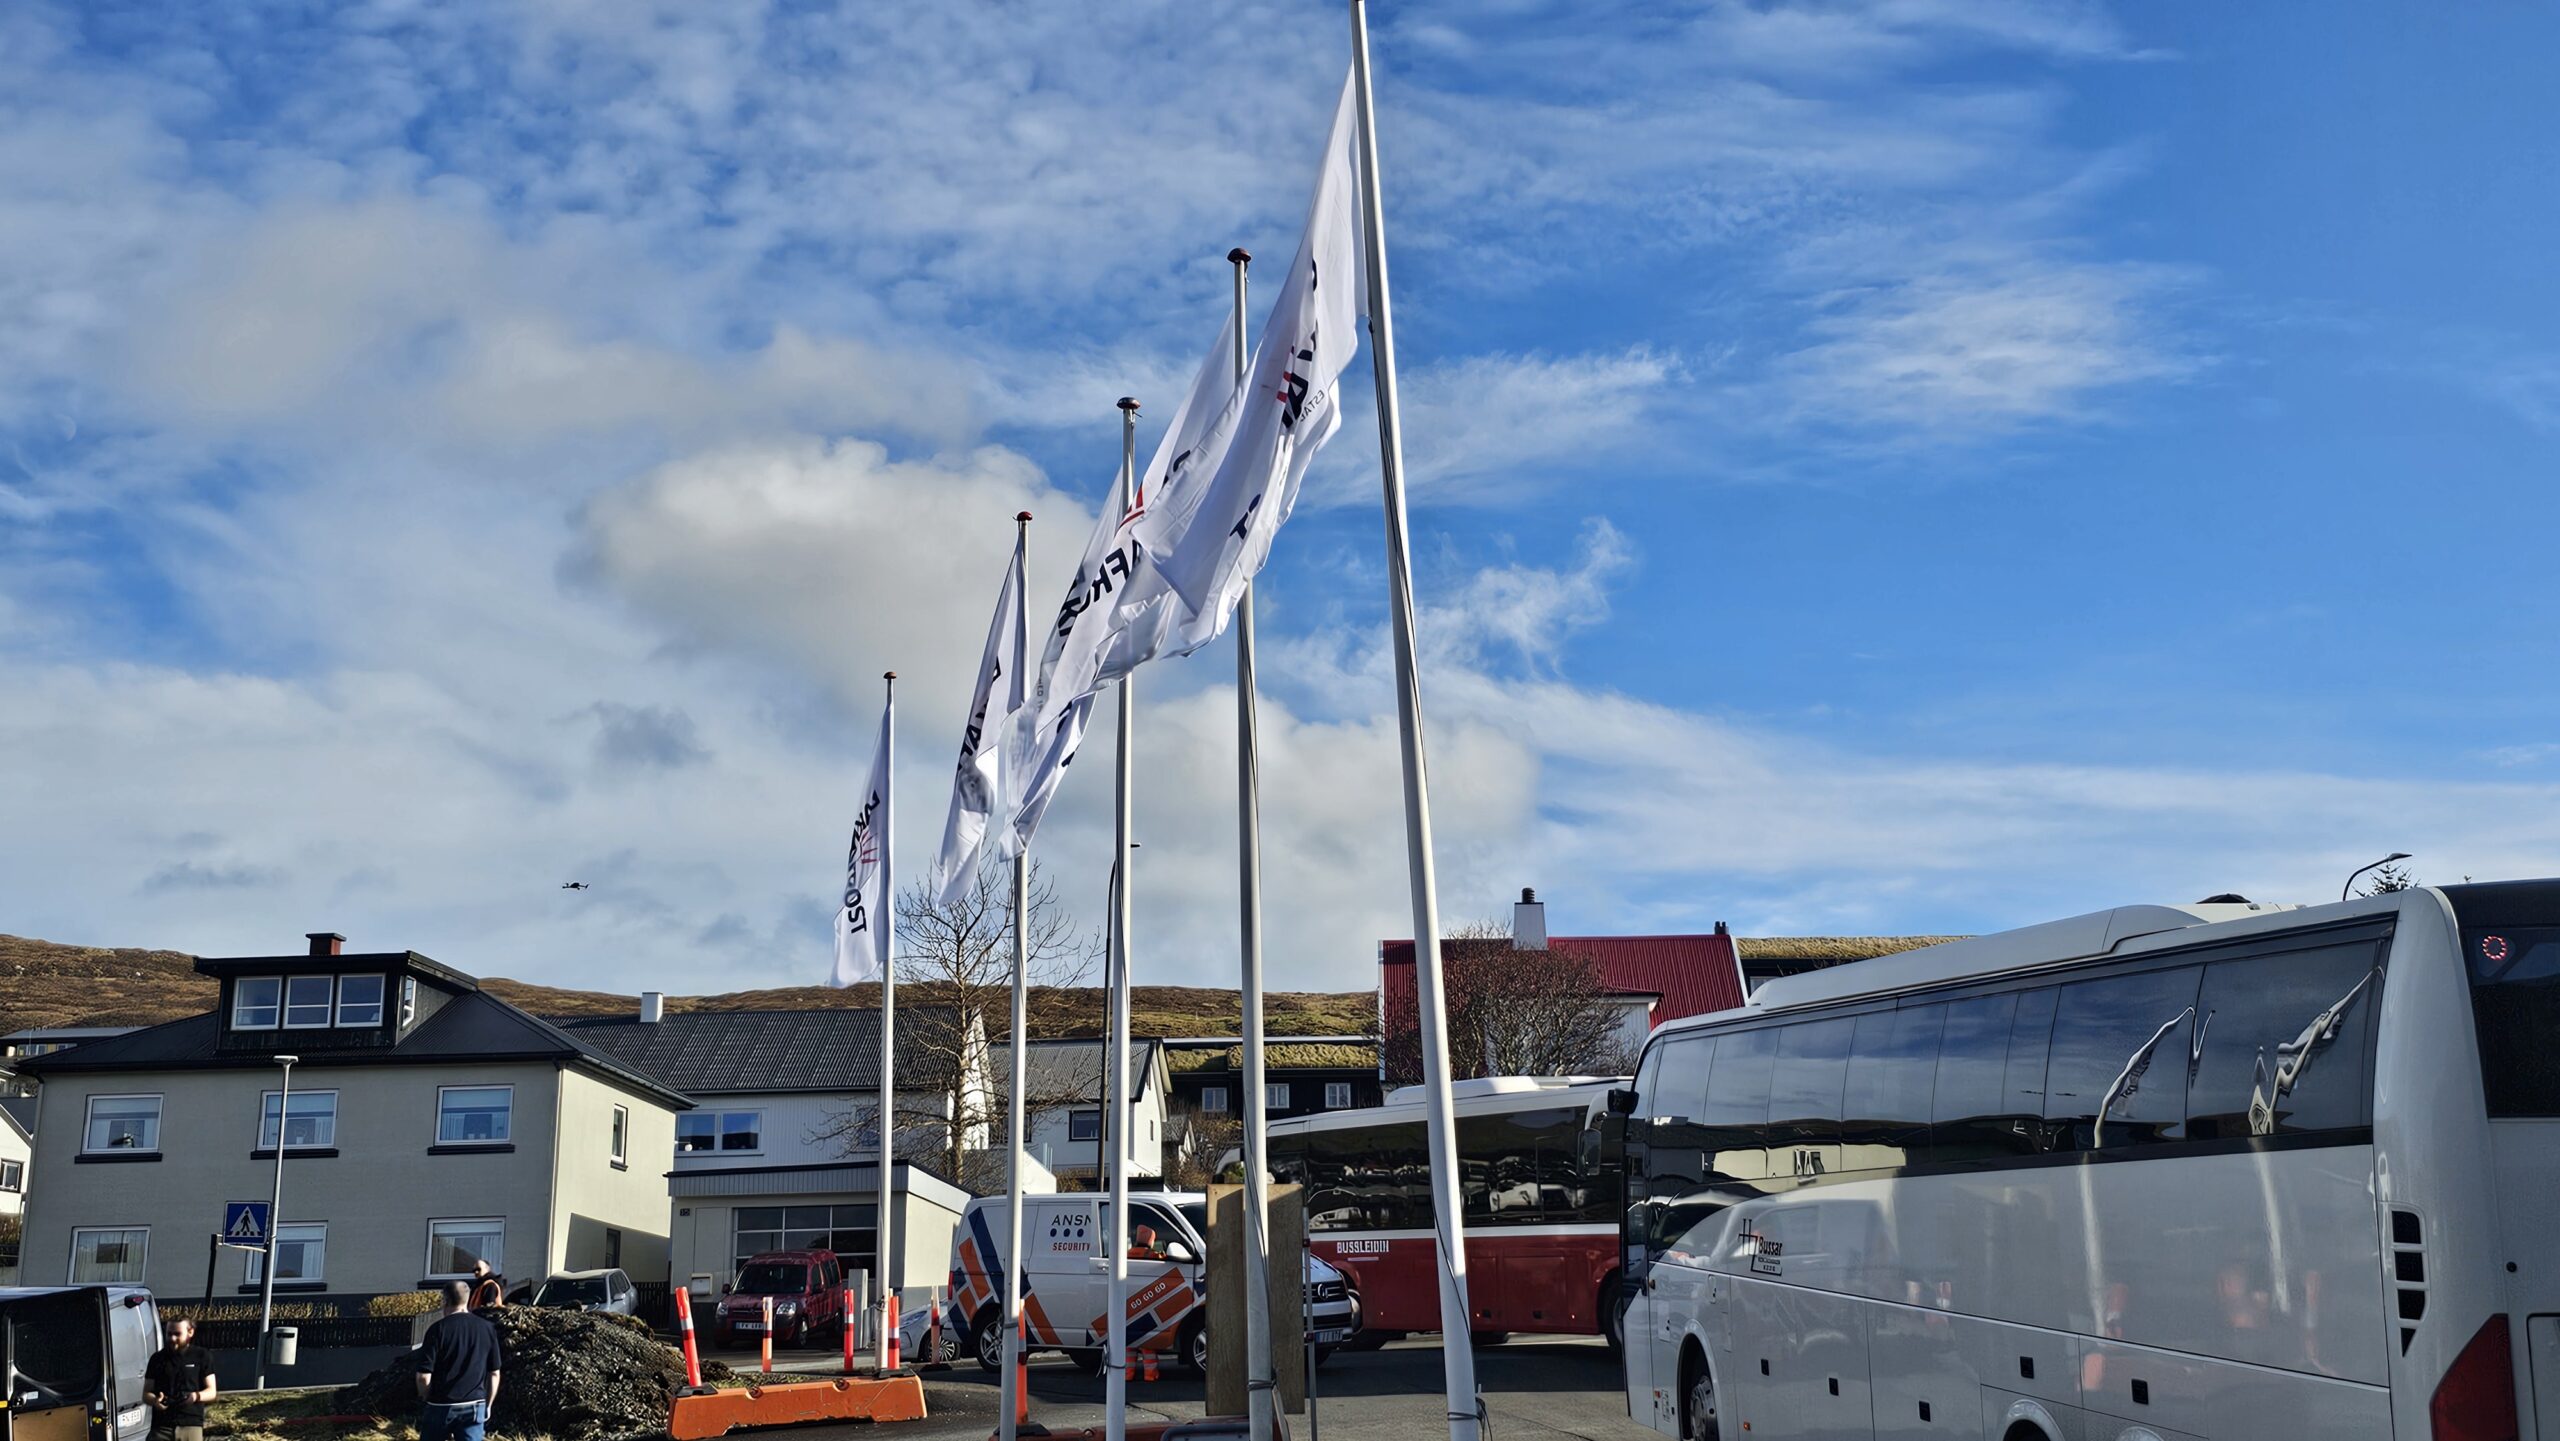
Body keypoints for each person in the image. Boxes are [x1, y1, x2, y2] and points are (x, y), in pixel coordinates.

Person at [416, 1280, 504, 1441]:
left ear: (445, 1300)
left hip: (440, 1405)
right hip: (474, 1404)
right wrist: (488, 1405)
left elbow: (423, 1376)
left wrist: (427, 1397)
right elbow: (494, 1373)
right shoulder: (487, 1328)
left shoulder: (437, 1329)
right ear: (468, 1299)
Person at [144, 1317, 217, 1441]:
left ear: (190, 1332)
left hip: (190, 1424)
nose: (172, 1338)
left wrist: (195, 1396)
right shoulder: (157, 1359)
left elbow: (212, 1392)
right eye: (169, 1334)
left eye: (177, 1334)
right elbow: (146, 1393)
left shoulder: (202, 1356)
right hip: (161, 1427)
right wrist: (155, 1400)